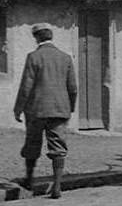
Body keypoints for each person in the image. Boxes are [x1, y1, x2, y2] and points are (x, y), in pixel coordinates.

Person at [14, 24, 78, 199]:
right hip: (59, 109)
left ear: (36, 38)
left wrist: (18, 108)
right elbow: (72, 87)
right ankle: (57, 187)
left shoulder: (34, 57)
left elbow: (26, 86)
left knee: (32, 144)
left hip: (37, 110)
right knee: (58, 147)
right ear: (51, 37)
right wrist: (70, 106)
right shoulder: (65, 58)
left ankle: (29, 180)